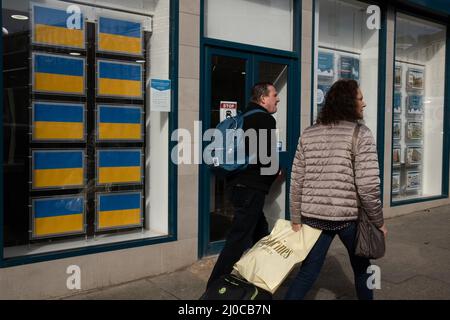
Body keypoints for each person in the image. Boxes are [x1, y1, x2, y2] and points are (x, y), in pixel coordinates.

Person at [286, 79, 387, 300]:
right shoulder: (360, 134)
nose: (365, 103)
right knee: (362, 268)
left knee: (307, 272)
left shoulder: (309, 133)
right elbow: (368, 185)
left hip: (314, 218)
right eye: (360, 99)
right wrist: (378, 221)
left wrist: (296, 218)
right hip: (348, 217)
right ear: (349, 103)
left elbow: (297, 180)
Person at [206, 82, 281, 288]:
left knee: (260, 234)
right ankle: (214, 285)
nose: (278, 99)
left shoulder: (242, 117)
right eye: (275, 95)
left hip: (235, 185)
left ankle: (267, 275)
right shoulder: (264, 118)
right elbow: (267, 159)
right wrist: (277, 170)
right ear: (263, 98)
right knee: (237, 240)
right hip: (251, 188)